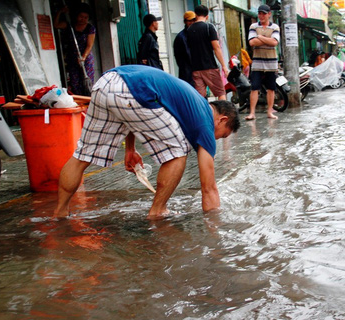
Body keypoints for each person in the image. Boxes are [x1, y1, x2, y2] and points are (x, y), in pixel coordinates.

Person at [53, 65, 240, 219]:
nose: (217, 139)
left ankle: (60, 212)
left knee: (82, 155)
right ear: (222, 120)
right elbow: (208, 188)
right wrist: (215, 226)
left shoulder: (192, 102)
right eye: (223, 135)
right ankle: (158, 211)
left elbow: (131, 111)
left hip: (106, 83)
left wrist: (130, 149)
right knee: (177, 152)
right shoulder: (204, 122)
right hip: (134, 91)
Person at [245, 4, 281, 121]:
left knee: (271, 88)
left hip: (271, 63)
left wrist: (259, 37)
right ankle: (252, 113)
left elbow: (274, 42)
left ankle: (269, 111)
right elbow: (251, 42)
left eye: (264, 14)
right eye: (260, 13)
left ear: (269, 14)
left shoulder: (275, 27)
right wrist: (266, 39)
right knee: (254, 87)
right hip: (257, 63)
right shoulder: (253, 26)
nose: (261, 16)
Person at [186, 5, 229, 100]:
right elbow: (216, 48)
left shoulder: (189, 30)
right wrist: (224, 66)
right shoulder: (209, 27)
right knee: (220, 93)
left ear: (195, 15)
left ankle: (203, 114)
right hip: (210, 67)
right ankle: (223, 113)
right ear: (207, 16)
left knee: (200, 97)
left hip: (196, 69)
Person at [54, 3, 96, 95]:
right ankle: (79, 100)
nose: (83, 19)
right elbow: (56, 25)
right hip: (73, 58)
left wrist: (83, 58)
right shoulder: (70, 25)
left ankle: (88, 100)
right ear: (76, 16)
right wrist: (60, 11)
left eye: (86, 17)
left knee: (86, 83)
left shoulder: (90, 28)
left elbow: (89, 45)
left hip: (85, 59)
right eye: (81, 16)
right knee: (75, 83)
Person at [173, 11, 197, 85]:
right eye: (189, 20)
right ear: (185, 22)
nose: (192, 22)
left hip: (195, 71)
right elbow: (186, 55)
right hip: (187, 73)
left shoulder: (195, 33)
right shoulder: (181, 37)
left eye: (194, 20)